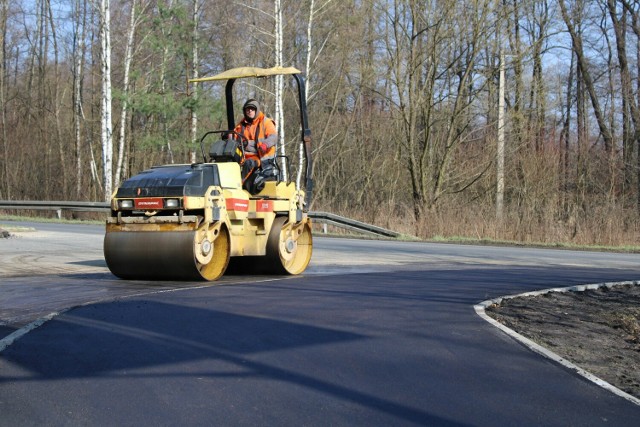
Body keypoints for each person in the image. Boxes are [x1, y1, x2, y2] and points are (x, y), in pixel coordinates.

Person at [233, 99, 278, 194]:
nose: (250, 111)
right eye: (247, 109)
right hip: (244, 157)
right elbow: (233, 136)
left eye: (252, 109)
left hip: (261, 159)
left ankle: (237, 187)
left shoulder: (266, 122)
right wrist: (227, 137)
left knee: (248, 164)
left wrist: (265, 144)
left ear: (256, 110)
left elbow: (273, 137)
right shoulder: (241, 125)